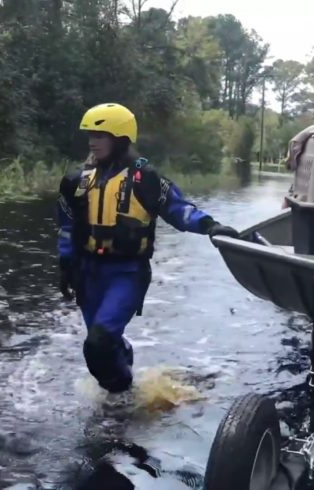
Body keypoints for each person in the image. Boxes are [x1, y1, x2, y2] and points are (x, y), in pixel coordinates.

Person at [56, 103, 240, 394]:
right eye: (91, 134)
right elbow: (67, 227)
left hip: (126, 273)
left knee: (97, 345)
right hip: (87, 273)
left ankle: (123, 394)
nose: (93, 141)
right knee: (100, 342)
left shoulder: (146, 179)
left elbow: (179, 209)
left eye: (101, 135)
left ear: (120, 138)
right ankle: (122, 367)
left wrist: (210, 226)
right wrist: (66, 266)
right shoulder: (76, 181)